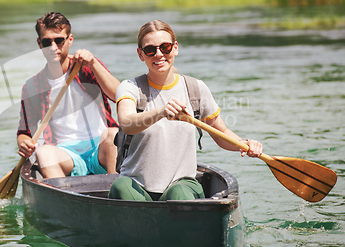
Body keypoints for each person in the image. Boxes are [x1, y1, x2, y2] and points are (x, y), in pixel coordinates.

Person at [109, 20, 263, 201]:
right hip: (137, 187)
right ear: (141, 54)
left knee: (177, 194)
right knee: (120, 186)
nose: (158, 54)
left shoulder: (196, 88)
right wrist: (161, 112)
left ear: (175, 48)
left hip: (182, 185)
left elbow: (221, 132)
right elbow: (127, 123)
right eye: (150, 50)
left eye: (165, 47)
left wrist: (244, 144)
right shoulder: (130, 87)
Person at [17, 12, 120, 178]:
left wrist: (93, 63)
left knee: (113, 134)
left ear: (69, 39)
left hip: (100, 149)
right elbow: (24, 132)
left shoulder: (86, 67)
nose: (53, 47)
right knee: (43, 153)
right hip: (65, 155)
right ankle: (65, 197)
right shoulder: (32, 87)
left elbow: (119, 95)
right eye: (46, 42)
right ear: (39, 43)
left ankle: (116, 191)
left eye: (59, 40)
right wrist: (25, 144)